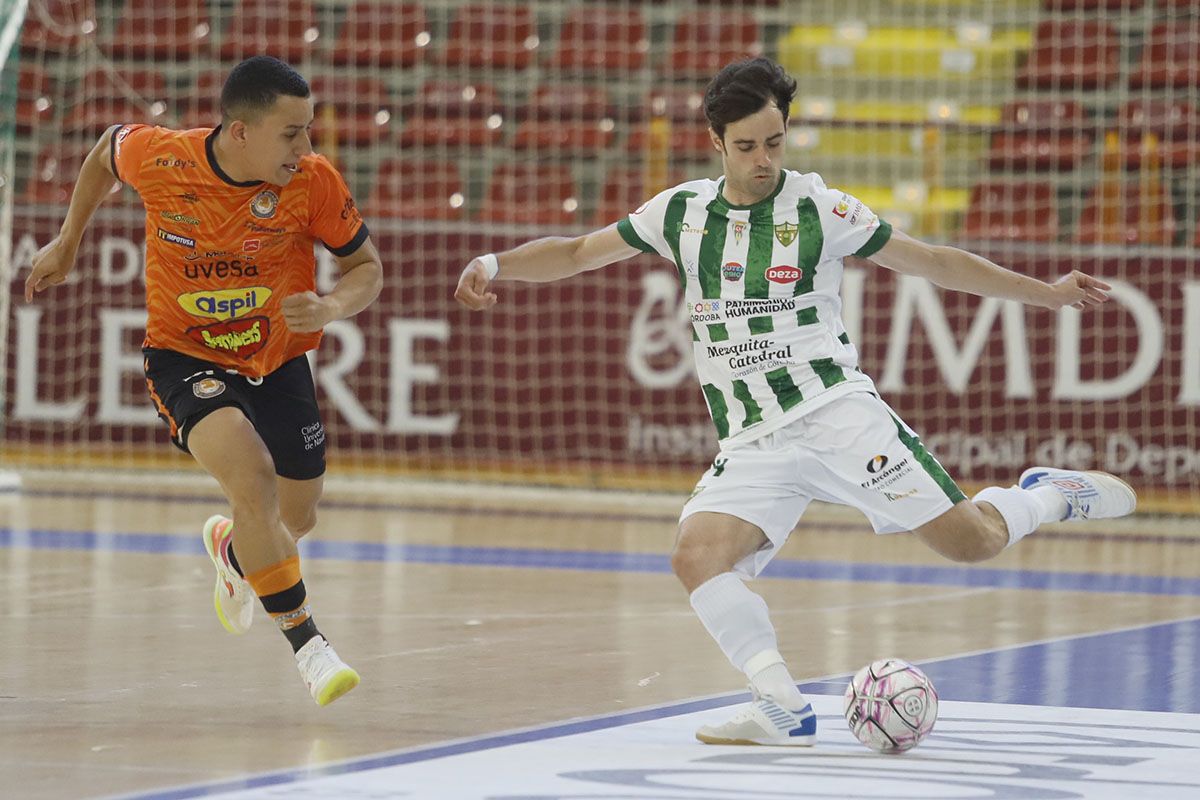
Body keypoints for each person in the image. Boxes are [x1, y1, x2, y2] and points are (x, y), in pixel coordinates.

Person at [454, 57, 1136, 745]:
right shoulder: (681, 212)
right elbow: (574, 252)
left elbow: (932, 260)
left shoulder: (819, 209)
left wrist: (1043, 292)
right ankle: (780, 703)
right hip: (754, 439)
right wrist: (493, 264)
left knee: (974, 543)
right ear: (716, 141)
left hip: (835, 413)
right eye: (747, 146)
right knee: (696, 556)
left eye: (774, 143)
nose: (763, 160)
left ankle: (1051, 495)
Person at [24, 55, 383, 706]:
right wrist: (69, 239)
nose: (306, 147)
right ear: (241, 131)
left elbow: (367, 267)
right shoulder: (166, 159)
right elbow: (108, 149)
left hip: (276, 360)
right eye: (292, 132)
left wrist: (331, 306)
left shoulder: (313, 182)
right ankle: (310, 647)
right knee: (253, 481)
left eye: (309, 130)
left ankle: (232, 550)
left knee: (295, 516)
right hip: (184, 355)